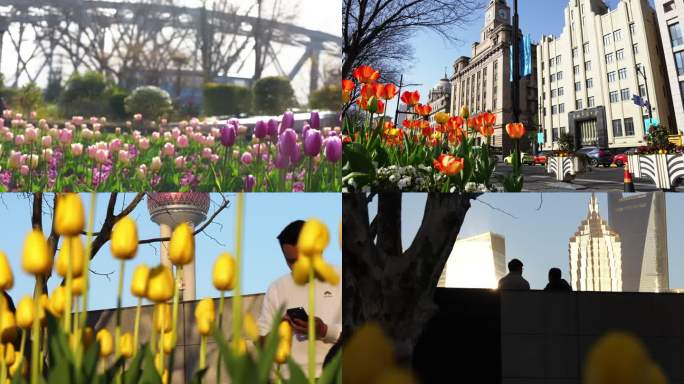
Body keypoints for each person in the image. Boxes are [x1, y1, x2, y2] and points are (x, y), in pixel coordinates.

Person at [258, 220, 341, 378]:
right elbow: (261, 344)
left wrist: (324, 330)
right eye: (291, 261)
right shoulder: (276, 288)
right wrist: (279, 330)